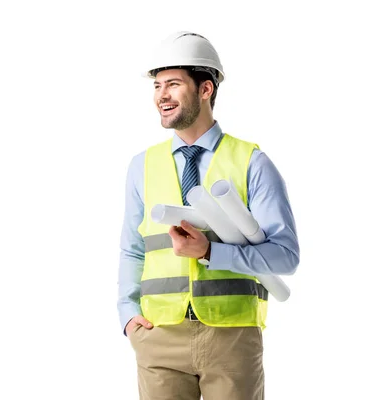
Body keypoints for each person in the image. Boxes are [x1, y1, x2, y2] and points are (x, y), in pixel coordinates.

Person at [117, 31, 300, 400]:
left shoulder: (251, 162)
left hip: (232, 340)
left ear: (205, 89)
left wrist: (210, 253)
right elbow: (133, 249)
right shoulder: (142, 166)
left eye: (173, 84)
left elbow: (286, 255)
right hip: (159, 338)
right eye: (157, 85)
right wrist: (127, 316)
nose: (161, 95)